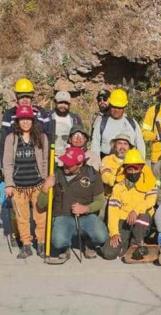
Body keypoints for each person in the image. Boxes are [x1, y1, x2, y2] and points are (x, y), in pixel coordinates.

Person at [37, 147, 108, 263]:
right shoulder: (55, 174)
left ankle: (89, 242)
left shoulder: (92, 174)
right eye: (64, 162)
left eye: (69, 164)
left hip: (86, 217)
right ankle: (65, 248)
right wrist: (45, 188)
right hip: (63, 216)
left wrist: (86, 208)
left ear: (80, 164)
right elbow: (40, 205)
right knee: (58, 241)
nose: (65, 166)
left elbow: (100, 201)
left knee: (101, 236)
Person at [3, 105, 48, 259]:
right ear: (18, 121)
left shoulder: (41, 137)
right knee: (22, 217)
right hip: (18, 186)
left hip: (37, 184)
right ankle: (26, 245)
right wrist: (9, 184)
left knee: (40, 216)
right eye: (22, 119)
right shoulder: (12, 138)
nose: (25, 122)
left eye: (28, 119)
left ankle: (41, 243)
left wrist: (45, 180)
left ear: (32, 120)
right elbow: (7, 163)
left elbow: (45, 161)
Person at [102, 149, 157, 260]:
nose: (132, 172)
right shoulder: (119, 186)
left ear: (141, 168)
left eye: (135, 168)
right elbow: (113, 210)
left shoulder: (150, 181)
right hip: (123, 221)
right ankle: (128, 246)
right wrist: (114, 233)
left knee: (143, 217)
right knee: (109, 253)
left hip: (141, 219)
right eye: (129, 169)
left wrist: (135, 211)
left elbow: (150, 201)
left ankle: (137, 243)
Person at [0, 78, 50, 167]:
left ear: (32, 97)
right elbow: (3, 141)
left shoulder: (41, 113)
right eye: (21, 96)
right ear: (16, 97)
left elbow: (48, 137)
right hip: (16, 161)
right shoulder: (9, 114)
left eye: (28, 96)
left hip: (38, 161)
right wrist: (2, 165)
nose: (25, 99)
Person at [91, 88, 145, 159]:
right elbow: (95, 147)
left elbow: (140, 145)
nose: (116, 110)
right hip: (107, 164)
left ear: (124, 107)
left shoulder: (132, 123)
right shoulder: (101, 122)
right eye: (114, 107)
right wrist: (97, 167)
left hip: (128, 163)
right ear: (110, 105)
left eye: (119, 108)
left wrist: (140, 163)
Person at [51, 91, 83, 157]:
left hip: (69, 156)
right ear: (55, 102)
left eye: (66, 103)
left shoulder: (75, 119)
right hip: (50, 155)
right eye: (60, 102)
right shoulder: (48, 117)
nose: (63, 105)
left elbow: (80, 139)